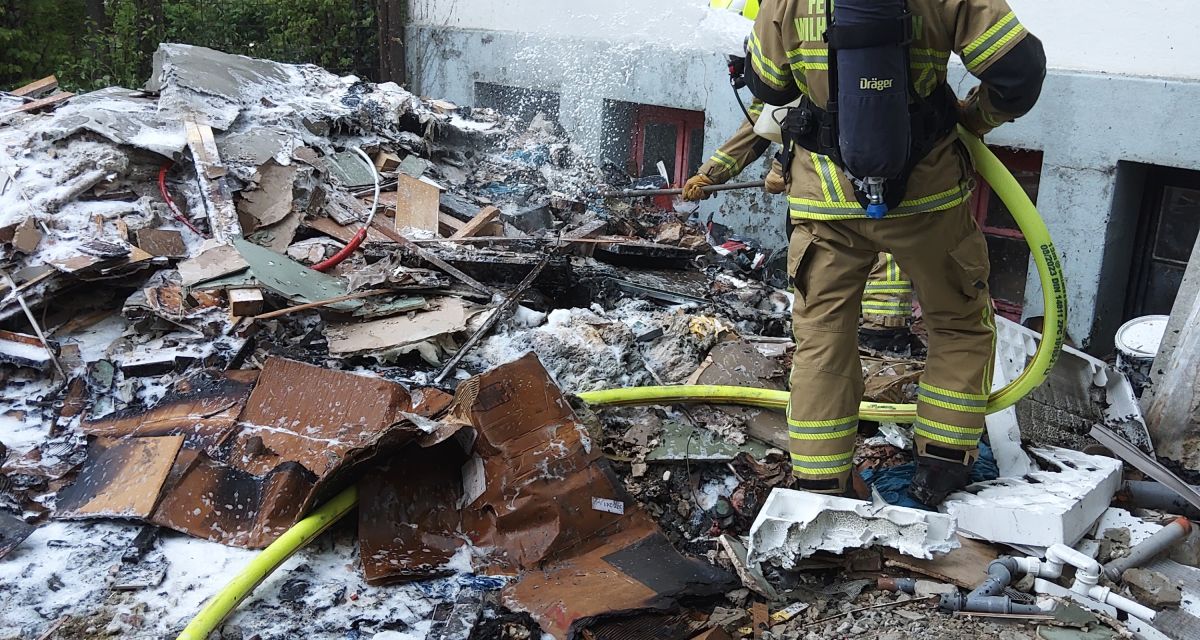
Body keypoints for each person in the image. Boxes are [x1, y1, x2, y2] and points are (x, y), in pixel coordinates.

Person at [744, 0, 1045, 505]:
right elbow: (1019, 70)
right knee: (958, 324)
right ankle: (943, 468)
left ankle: (822, 485)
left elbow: (768, 87)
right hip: (927, 199)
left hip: (825, 202)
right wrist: (976, 118)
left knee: (823, 336)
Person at [682, 113, 918, 350]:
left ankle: (835, 333)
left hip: (821, 197)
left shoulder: (798, 78)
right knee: (887, 251)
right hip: (887, 187)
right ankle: (883, 332)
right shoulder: (895, 85)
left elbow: (767, 119)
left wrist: (714, 173)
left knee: (822, 271)